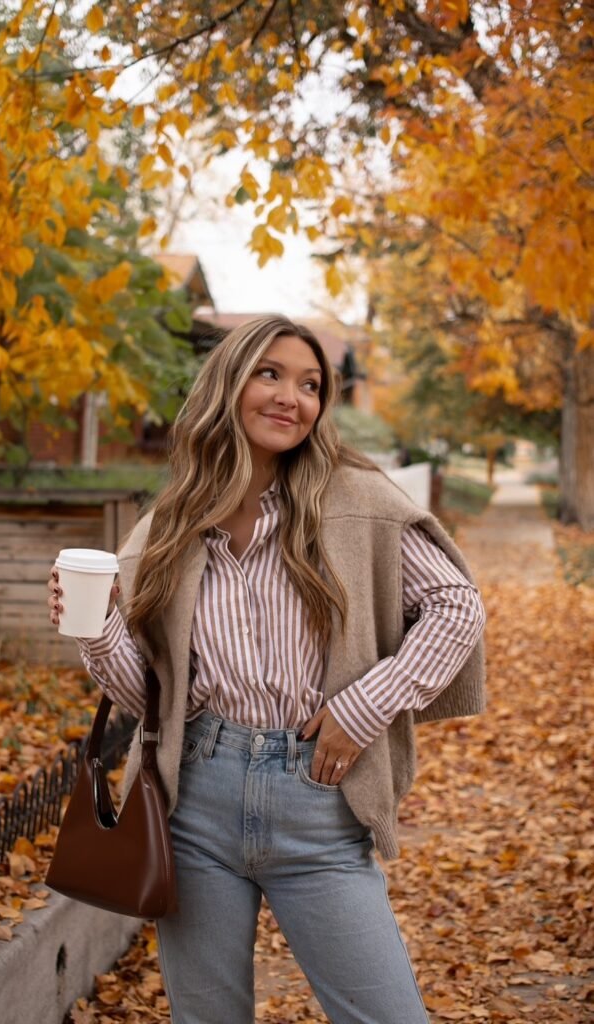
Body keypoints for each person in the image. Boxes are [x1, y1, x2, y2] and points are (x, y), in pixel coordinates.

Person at [48, 315, 486, 1024]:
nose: (291, 396)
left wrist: (363, 706)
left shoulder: (357, 500)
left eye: (309, 384)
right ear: (228, 384)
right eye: (270, 374)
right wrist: (96, 630)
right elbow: (156, 705)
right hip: (194, 805)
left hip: (318, 801)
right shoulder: (164, 528)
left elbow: (455, 608)